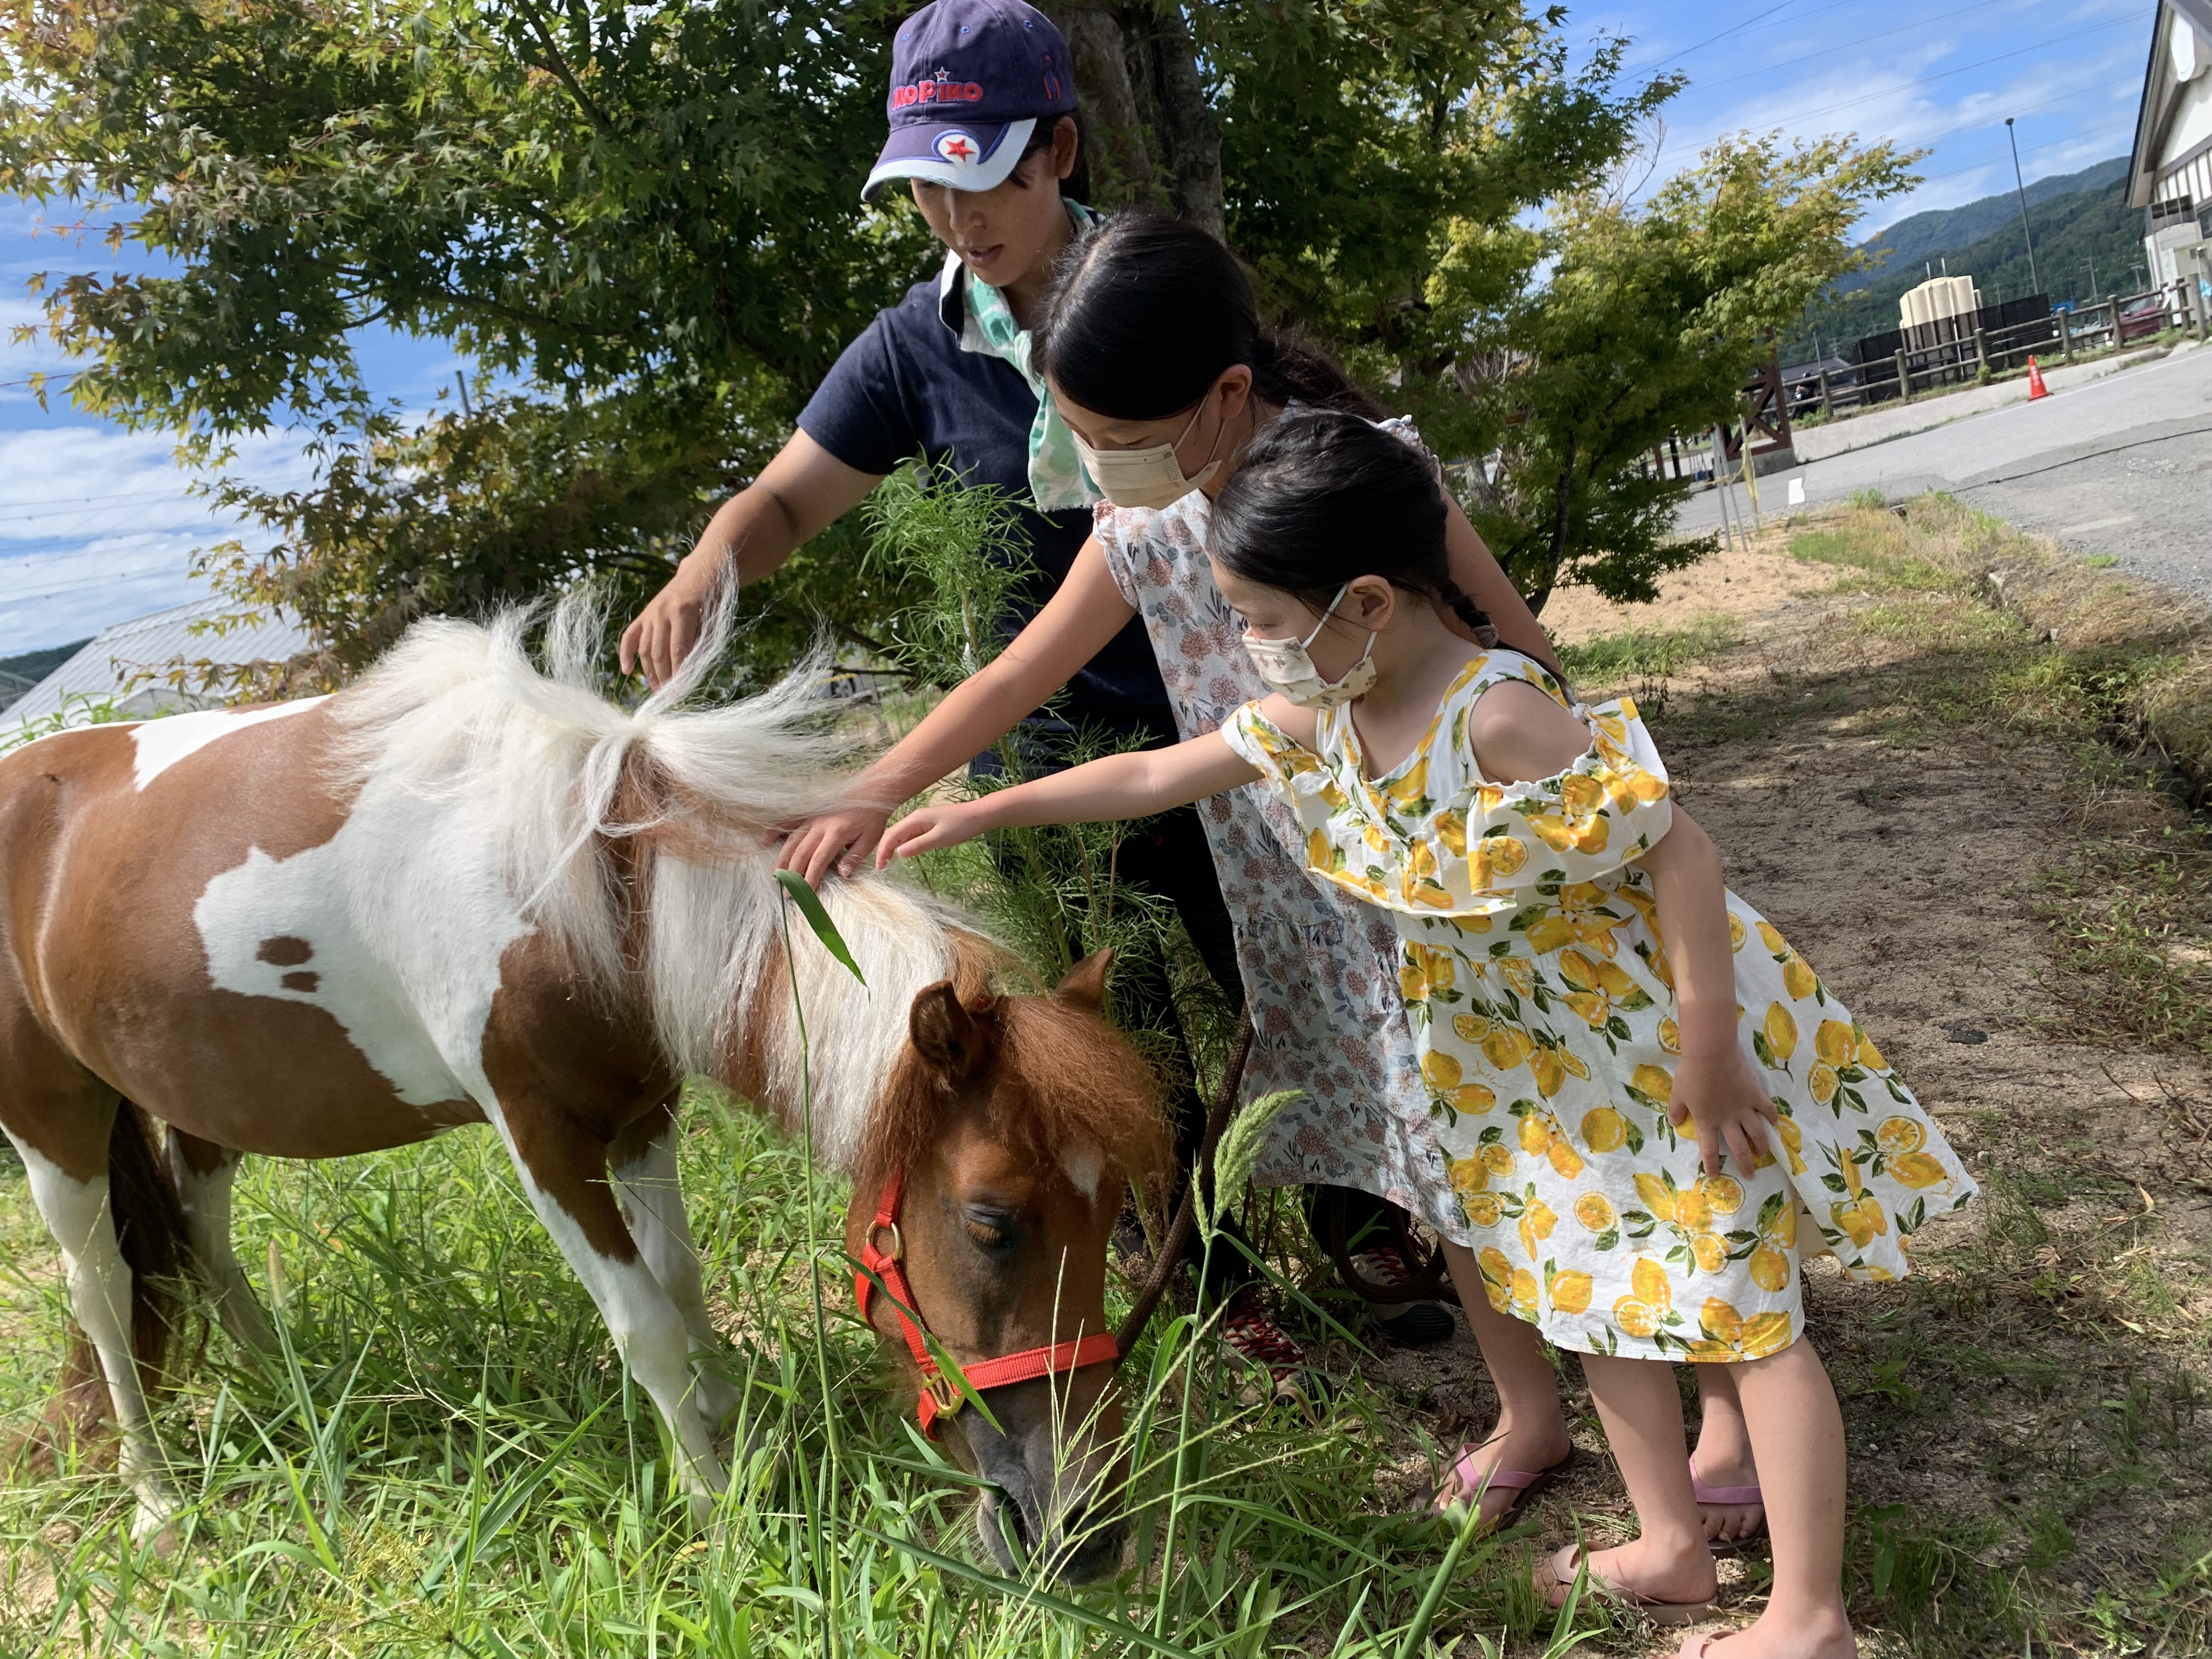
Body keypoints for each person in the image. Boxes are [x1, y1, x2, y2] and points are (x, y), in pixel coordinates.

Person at [872, 409, 1978, 1657]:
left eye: (1265, 623)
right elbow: (1148, 776)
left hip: (1650, 1048)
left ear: (1367, 603)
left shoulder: (1497, 713)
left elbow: (1684, 856)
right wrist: (975, 814)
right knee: (1593, 1296)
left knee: (1743, 1313)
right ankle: (1669, 1542)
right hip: (1524, 1070)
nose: (1251, 649)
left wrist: (1710, 1046)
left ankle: (1811, 1615)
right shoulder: (1327, 721)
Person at [617, 0, 1329, 1381]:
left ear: (1058, 147)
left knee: (1283, 968)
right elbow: (787, 496)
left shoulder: (1144, 290)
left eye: (983, 172)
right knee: (1118, 1038)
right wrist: (715, 556)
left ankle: (1367, 1218)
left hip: (1235, 705)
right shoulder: (911, 347)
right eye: (926, 186)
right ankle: (1200, 1266)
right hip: (1048, 736)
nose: (957, 216)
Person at [775, 210, 1557, 1400]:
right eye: (1081, 439)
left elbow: (1522, 651)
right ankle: (1533, 1409)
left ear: (1228, 394)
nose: (1103, 470)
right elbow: (1019, 673)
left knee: (1530, 1124)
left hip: (1445, 864)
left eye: (1123, 437)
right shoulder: (1144, 520)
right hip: (1301, 891)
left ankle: (1661, 1358)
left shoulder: (1360, 475)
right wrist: (883, 794)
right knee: (1432, 1146)